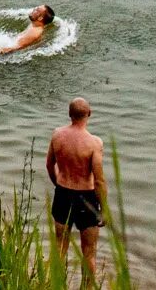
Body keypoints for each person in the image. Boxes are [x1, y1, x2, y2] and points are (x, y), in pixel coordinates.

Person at [47, 97, 107, 279]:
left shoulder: (57, 135)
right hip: (86, 198)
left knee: (59, 247)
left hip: (63, 194)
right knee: (89, 252)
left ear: (69, 114)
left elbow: (49, 165)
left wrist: (59, 184)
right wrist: (104, 209)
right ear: (89, 114)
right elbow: (99, 181)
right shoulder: (94, 143)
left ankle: (53, 284)